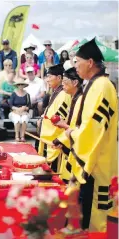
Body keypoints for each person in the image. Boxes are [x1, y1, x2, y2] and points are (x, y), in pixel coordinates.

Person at [65, 38, 118, 232]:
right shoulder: (95, 84)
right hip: (94, 159)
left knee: (97, 220)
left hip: (97, 163)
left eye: (77, 61)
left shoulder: (102, 86)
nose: (75, 66)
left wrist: (72, 133)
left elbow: (93, 128)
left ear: (89, 62)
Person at [51, 63, 83, 183]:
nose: (62, 84)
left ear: (75, 83)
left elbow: (80, 129)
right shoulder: (74, 98)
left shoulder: (80, 100)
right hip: (69, 142)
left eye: (65, 81)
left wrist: (63, 126)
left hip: (76, 148)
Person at [37, 64, 71, 172]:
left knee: (53, 171)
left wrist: (44, 120)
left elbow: (59, 118)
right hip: (48, 135)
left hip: (55, 137)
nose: (47, 80)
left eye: (50, 76)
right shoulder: (55, 92)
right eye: (47, 77)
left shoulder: (64, 94)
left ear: (59, 78)